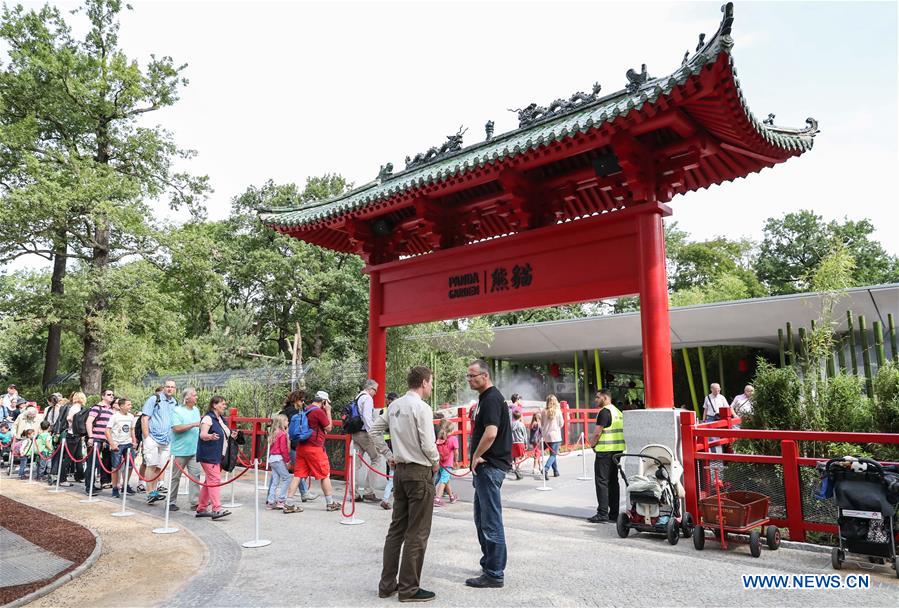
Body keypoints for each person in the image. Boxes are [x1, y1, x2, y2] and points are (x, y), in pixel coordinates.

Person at [369, 365, 440, 603]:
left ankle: (387, 584)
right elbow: (428, 443)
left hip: (399, 470)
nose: (430, 386)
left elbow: (375, 430)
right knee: (417, 532)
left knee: (396, 529)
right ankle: (409, 588)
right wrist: (436, 460)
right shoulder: (422, 407)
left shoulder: (395, 405)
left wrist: (389, 455)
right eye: (430, 382)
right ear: (423, 382)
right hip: (419, 470)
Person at [465, 359, 512, 589]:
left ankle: (495, 573)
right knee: (482, 518)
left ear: (485, 375)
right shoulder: (485, 398)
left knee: (491, 521)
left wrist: (476, 455)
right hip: (486, 468)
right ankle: (489, 564)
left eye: (473, 375)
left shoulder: (492, 398)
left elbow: (491, 433)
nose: (470, 379)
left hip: (490, 466)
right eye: (468, 376)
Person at [283, 392, 339, 513]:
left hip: (301, 447)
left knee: (298, 475)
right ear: (323, 402)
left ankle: (289, 503)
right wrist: (328, 411)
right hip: (315, 448)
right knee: (325, 474)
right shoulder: (318, 411)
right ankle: (330, 503)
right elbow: (329, 427)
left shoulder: (305, 409)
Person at [196, 396, 237, 520]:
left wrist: (232, 435)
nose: (224, 406)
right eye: (222, 404)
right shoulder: (208, 418)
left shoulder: (220, 419)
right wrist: (210, 436)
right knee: (214, 481)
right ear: (214, 405)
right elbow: (202, 434)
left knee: (209, 482)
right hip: (209, 455)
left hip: (218, 455)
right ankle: (216, 509)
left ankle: (202, 508)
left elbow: (224, 434)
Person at [588, 390, 624, 524]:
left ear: (605, 397)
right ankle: (614, 514)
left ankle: (602, 513)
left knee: (602, 482)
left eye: (598, 397)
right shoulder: (618, 412)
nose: (596, 400)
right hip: (617, 451)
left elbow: (597, 433)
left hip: (604, 452)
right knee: (613, 482)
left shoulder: (604, 412)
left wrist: (592, 445)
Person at [142, 379, 178, 504]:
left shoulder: (174, 402)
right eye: (167, 386)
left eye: (172, 387)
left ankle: (154, 490)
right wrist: (147, 437)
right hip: (153, 437)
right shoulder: (154, 399)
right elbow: (145, 418)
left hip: (167, 439)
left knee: (160, 467)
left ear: (175, 389)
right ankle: (149, 492)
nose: (169, 389)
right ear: (163, 387)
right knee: (151, 465)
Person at [168, 387, 202, 511]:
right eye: (194, 395)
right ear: (187, 398)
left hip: (194, 450)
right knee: (175, 477)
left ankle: (195, 502)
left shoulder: (196, 410)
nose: (196, 397)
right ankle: (171, 501)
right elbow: (176, 428)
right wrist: (193, 424)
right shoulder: (177, 411)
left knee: (195, 476)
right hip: (179, 451)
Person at [352, 379, 382, 502]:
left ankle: (353, 493)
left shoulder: (358, 396)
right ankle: (369, 491)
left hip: (355, 433)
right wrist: (373, 433)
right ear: (370, 388)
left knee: (356, 463)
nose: (375, 393)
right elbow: (367, 418)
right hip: (364, 434)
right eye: (375, 390)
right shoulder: (368, 398)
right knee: (376, 458)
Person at [84, 389, 115, 495]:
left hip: (104, 440)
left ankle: (92, 485)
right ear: (103, 396)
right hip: (96, 439)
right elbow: (89, 422)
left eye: (112, 395)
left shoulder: (111, 410)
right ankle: (89, 487)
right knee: (92, 463)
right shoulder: (97, 408)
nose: (112, 396)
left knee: (98, 464)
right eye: (109, 394)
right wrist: (91, 437)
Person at [106, 398, 137, 498]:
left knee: (130, 465)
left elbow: (132, 429)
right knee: (115, 466)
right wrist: (112, 443)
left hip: (128, 443)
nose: (130, 406)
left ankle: (125, 484)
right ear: (122, 406)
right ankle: (115, 488)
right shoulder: (114, 417)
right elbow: (107, 431)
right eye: (128, 404)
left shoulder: (131, 416)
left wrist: (134, 441)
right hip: (118, 444)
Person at [265, 414, 291, 509]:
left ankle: (270, 501)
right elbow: (283, 449)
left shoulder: (274, 433)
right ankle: (281, 500)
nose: (288, 422)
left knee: (275, 481)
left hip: (272, 459)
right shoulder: (282, 434)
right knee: (287, 478)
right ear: (282, 422)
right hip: (279, 459)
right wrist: (287, 461)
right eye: (286, 421)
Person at [379, 391, 399, 511]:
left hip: (390, 443)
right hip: (392, 443)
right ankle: (387, 498)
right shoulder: (387, 411)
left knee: (392, 472)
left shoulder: (388, 410)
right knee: (393, 472)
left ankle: (387, 498)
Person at [538, 394, 564, 480]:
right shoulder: (558, 411)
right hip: (555, 435)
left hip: (546, 435)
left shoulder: (543, 411)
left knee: (552, 454)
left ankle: (556, 471)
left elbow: (541, 424)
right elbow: (561, 424)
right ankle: (546, 469)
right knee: (553, 454)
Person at [434, 418, 459, 506]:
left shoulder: (439, 438)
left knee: (446, 479)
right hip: (448, 464)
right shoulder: (453, 439)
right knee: (444, 480)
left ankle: (451, 497)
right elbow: (456, 452)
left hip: (440, 463)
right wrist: (456, 461)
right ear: (451, 430)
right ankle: (437, 499)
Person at [510, 410, 527, 480]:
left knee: (516, 457)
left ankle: (517, 470)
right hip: (520, 442)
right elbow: (524, 434)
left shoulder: (511, 424)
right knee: (522, 457)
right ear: (520, 417)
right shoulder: (521, 424)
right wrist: (526, 443)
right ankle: (518, 469)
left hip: (513, 442)